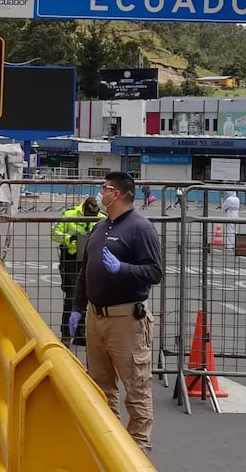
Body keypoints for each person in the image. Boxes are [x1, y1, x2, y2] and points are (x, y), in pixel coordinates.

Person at [69, 171, 162, 454]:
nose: (100, 193)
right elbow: (86, 271)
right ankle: (109, 445)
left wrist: (123, 269)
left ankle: (137, 449)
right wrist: (77, 307)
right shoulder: (101, 226)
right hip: (97, 318)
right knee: (101, 385)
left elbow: (154, 271)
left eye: (104, 188)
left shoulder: (139, 228)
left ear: (117, 193)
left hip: (126, 320)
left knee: (135, 388)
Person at [50, 196, 105, 345]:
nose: (91, 218)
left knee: (91, 296)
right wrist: (69, 239)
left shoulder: (102, 217)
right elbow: (54, 234)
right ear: (84, 208)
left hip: (92, 260)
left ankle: (81, 334)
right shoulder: (70, 214)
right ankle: (67, 334)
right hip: (71, 260)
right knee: (73, 296)